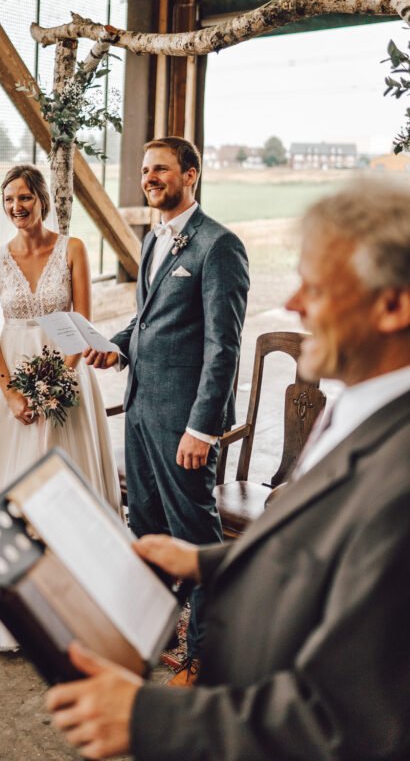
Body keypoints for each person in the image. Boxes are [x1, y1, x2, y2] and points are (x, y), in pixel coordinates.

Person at [47, 177, 410, 761]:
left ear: (393, 306)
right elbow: (323, 551)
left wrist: (147, 718)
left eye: (316, 286)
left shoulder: (400, 480)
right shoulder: (357, 406)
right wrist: (204, 561)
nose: (294, 304)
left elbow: (347, 723)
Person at [0, 164, 122, 649]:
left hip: (67, 375)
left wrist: (56, 382)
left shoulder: (73, 249)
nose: (16, 207)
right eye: (9, 200)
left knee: (67, 486)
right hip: (12, 381)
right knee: (7, 486)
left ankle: (76, 607)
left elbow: (83, 323)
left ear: (42, 199)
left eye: (24, 197)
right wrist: (12, 392)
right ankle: (5, 609)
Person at [85, 136, 249, 660]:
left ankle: (206, 654)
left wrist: (202, 428)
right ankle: (152, 634)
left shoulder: (218, 246)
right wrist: (116, 348)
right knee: (147, 527)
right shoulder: (153, 241)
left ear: (190, 175)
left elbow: (223, 347)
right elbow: (149, 319)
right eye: (144, 170)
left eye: (160, 169)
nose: (149, 178)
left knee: (194, 537)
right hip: (140, 411)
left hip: (183, 423)